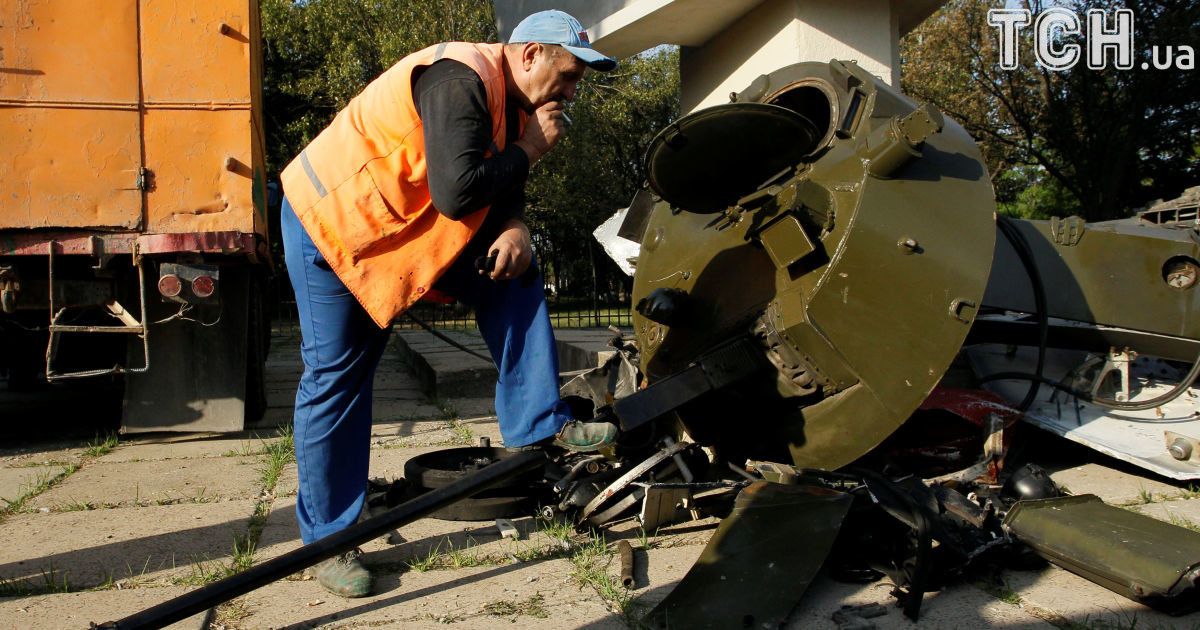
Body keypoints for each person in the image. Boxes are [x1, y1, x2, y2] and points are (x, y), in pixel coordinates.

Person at [277, 10, 619, 598]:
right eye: (567, 75)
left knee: (515, 270)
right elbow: (458, 192)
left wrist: (516, 227)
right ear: (530, 54)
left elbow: (502, 187)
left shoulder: (516, 105)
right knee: (338, 378)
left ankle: (540, 422)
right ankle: (329, 542)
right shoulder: (460, 79)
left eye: (577, 82)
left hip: (395, 231)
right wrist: (531, 149)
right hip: (332, 224)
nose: (570, 92)